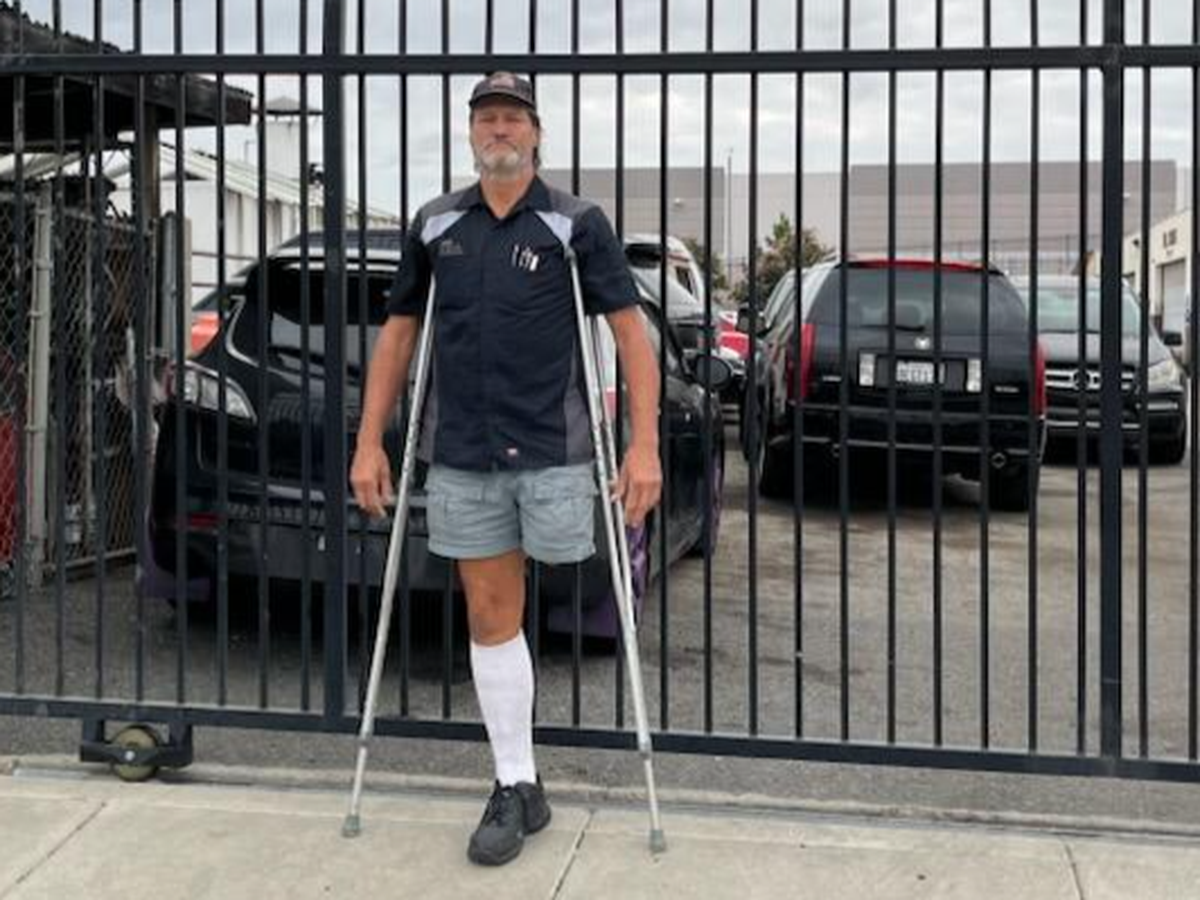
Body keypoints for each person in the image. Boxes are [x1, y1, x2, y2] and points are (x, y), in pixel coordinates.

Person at [350, 71, 663, 867]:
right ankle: (516, 782)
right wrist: (368, 441)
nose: (499, 130)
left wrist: (644, 445)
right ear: (470, 133)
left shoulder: (575, 223)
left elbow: (630, 333)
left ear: (536, 133)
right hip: (464, 452)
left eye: (512, 118)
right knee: (491, 613)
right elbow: (398, 335)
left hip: (553, 450)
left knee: (550, 604)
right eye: (486, 118)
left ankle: (521, 773)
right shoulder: (436, 224)